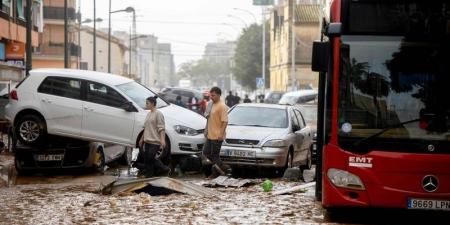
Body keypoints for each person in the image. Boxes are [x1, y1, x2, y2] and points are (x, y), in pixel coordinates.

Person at [138, 96, 171, 177]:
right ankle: (149, 175)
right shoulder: (148, 114)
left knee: (151, 158)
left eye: (147, 103)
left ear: (152, 104)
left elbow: (161, 128)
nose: (146, 105)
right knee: (147, 160)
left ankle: (165, 169)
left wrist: (162, 140)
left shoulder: (158, 114)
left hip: (155, 141)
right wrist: (142, 139)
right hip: (147, 141)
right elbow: (145, 128)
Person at [203, 87, 229, 178]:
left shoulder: (222, 106)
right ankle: (223, 167)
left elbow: (225, 121)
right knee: (206, 152)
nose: (211, 97)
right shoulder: (211, 104)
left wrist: (221, 134)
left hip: (217, 136)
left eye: (213, 95)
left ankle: (215, 173)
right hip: (210, 135)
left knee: (215, 155)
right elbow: (207, 117)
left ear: (218, 95)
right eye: (210, 95)